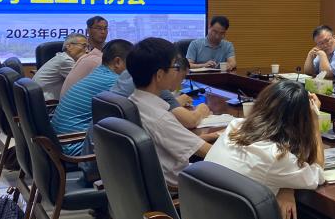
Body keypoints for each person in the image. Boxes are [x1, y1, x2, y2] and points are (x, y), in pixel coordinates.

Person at [207, 79, 326, 219]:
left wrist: (286, 187)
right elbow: (318, 172)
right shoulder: (276, 156)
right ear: (300, 121)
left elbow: (273, 168)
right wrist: (315, 121)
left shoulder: (235, 126)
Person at [126, 38, 219, 189]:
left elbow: (173, 140)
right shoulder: (159, 119)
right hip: (181, 188)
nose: (177, 71)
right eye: (175, 66)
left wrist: (212, 136)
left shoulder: (133, 102)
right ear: (159, 75)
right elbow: (209, 152)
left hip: (157, 180)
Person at [51, 39, 133, 175]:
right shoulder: (114, 82)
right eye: (132, 64)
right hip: (74, 148)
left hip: (60, 143)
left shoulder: (98, 73)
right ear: (118, 62)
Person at [113, 54, 210, 129]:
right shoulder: (156, 85)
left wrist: (175, 101)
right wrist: (201, 110)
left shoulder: (127, 74)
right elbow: (190, 121)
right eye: (182, 77)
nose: (181, 83)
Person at [61, 16, 110, 95]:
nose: (103, 32)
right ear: (88, 30)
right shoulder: (79, 48)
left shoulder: (110, 49)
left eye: (105, 28)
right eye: (99, 28)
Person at [32, 32, 88, 101]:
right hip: (48, 102)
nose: (87, 50)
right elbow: (83, 83)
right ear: (69, 46)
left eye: (88, 47)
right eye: (84, 46)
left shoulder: (63, 57)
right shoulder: (66, 61)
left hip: (41, 99)